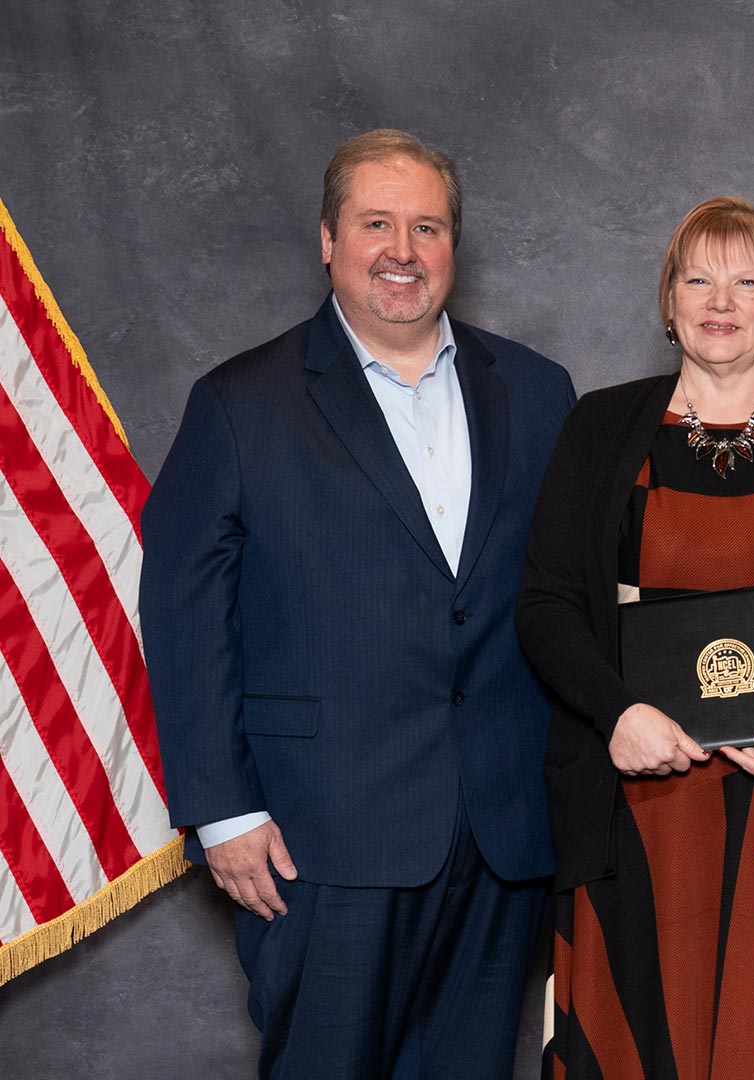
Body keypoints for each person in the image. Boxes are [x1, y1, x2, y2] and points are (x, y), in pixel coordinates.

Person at [141, 129, 576, 1078]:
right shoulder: (238, 404)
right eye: (377, 223)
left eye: (427, 226)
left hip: (501, 832)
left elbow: (570, 595)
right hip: (317, 839)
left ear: (455, 246)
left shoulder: (541, 394)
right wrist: (221, 812)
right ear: (328, 241)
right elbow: (183, 615)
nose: (403, 250)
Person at [516, 196, 754, 1077]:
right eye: (697, 278)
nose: (719, 299)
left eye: (746, 279)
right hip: (633, 809)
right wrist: (615, 712)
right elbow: (545, 604)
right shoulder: (600, 428)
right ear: (668, 304)